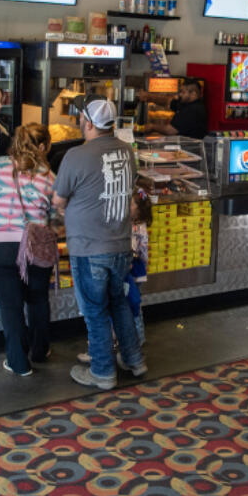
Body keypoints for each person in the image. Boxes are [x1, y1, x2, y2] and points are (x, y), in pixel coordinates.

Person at [53, 96, 144, 390]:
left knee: (95, 310)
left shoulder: (76, 156)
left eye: (81, 117)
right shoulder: (127, 152)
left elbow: (58, 199)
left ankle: (103, 372)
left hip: (89, 247)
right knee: (118, 303)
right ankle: (134, 360)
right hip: (119, 244)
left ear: (88, 123)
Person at [0, 123, 57, 376]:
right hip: (35, 246)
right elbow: (54, 215)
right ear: (43, 146)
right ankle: (40, 351)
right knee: (38, 299)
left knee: (11, 305)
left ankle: (19, 363)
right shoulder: (48, 175)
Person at [76, 182, 152, 365]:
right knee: (131, 306)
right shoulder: (138, 225)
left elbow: (132, 250)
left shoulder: (132, 227)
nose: (126, 205)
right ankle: (132, 345)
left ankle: (114, 347)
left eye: (130, 203)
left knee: (121, 307)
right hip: (134, 270)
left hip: (128, 270)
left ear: (138, 210)